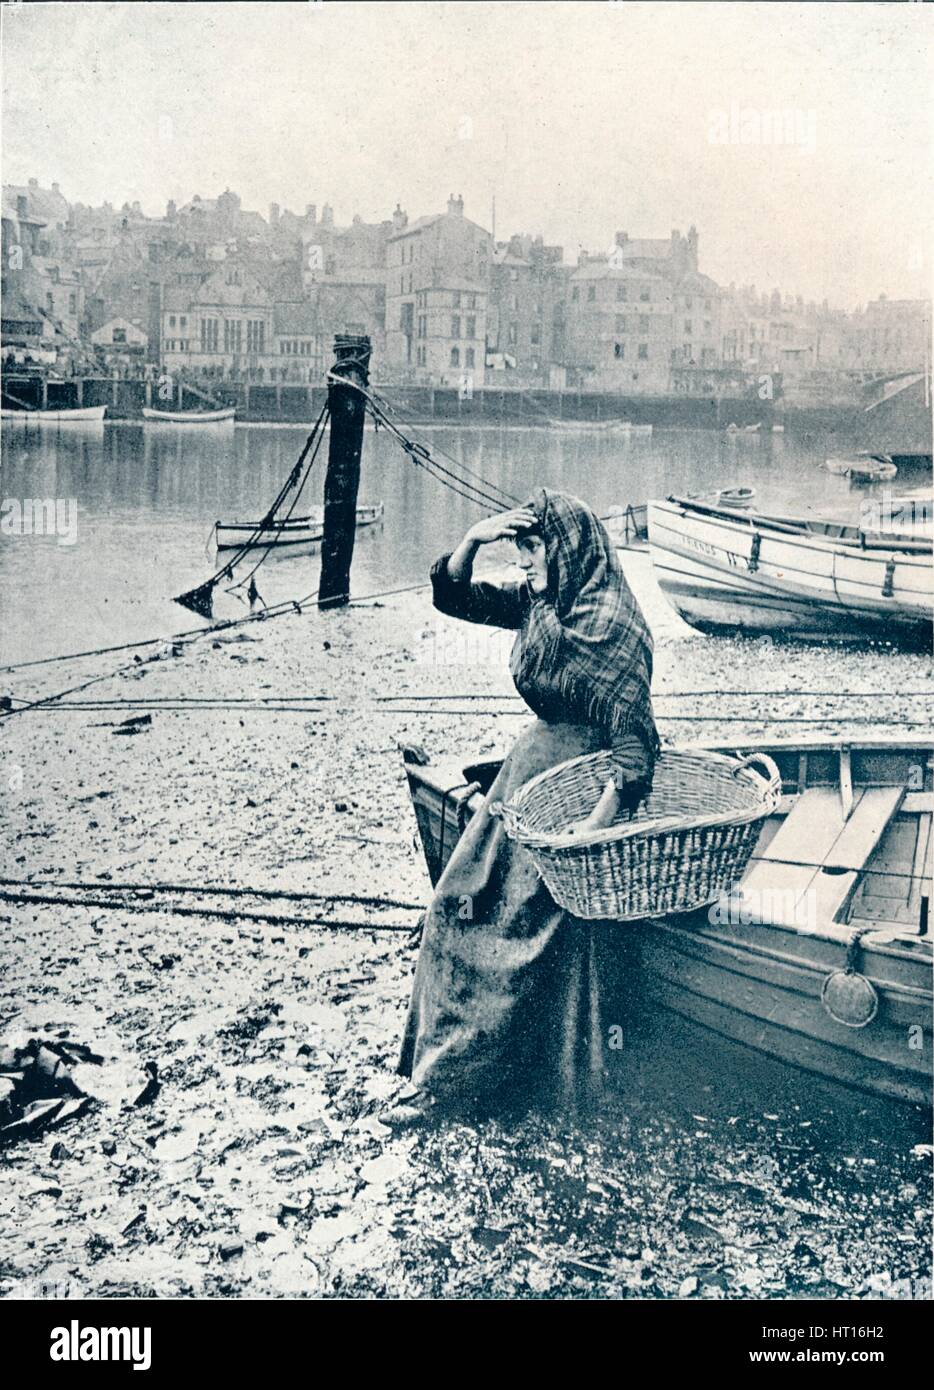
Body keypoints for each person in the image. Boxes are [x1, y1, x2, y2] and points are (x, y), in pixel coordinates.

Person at [392, 487, 659, 1124]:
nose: (524, 566)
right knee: (452, 910)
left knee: (515, 937)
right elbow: (456, 596)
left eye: (533, 550)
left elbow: (633, 759)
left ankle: (459, 1086)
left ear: (568, 549)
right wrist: (474, 539)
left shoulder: (617, 630)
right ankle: (433, 1069)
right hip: (524, 783)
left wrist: (574, 846)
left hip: (580, 801)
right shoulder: (544, 604)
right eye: (519, 552)